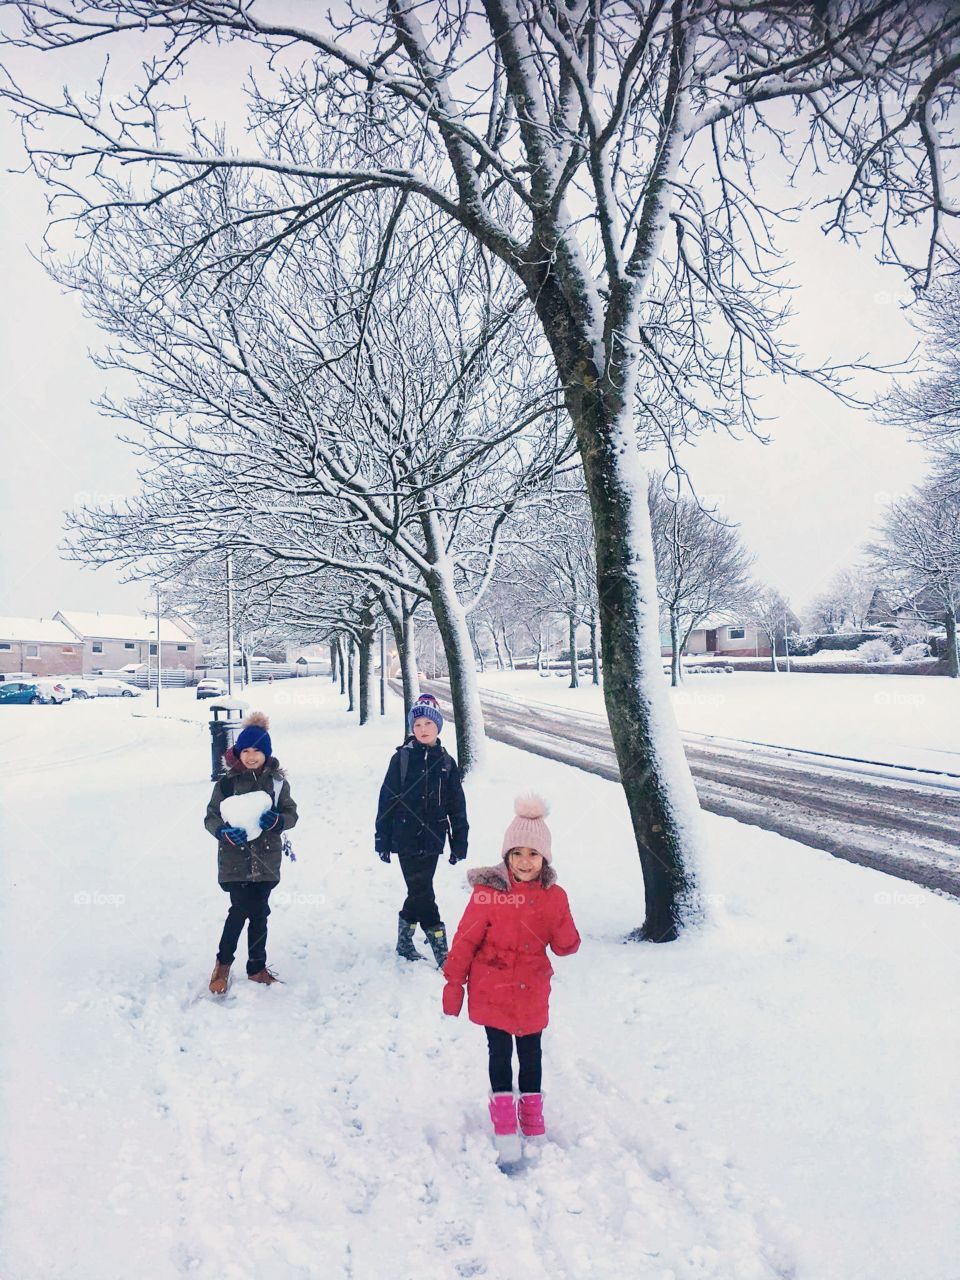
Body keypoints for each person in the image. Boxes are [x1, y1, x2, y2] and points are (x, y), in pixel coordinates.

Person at [442, 793, 580, 1163]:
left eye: (532, 854)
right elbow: (465, 939)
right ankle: (504, 1121)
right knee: (500, 1052)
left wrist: (562, 916)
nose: (524, 862)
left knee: (532, 1053)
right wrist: (454, 984)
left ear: (545, 858)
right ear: (506, 856)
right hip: (492, 987)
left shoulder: (553, 896)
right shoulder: (488, 894)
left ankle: (532, 1119)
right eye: (516, 854)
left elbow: (566, 946)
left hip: (533, 988)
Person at [204, 711, 298, 993]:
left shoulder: (277, 784)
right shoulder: (227, 784)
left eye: (258, 750)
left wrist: (278, 821)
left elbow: (291, 814)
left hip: (267, 861)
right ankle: (222, 965)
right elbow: (211, 817)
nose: (252, 756)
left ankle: (256, 967)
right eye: (246, 750)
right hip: (235, 862)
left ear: (266, 753)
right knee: (240, 910)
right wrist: (223, 832)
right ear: (238, 752)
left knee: (260, 913)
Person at [375, 695, 468, 967]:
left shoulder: (447, 762)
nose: (423, 729)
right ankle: (443, 953)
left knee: (419, 890)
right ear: (411, 728)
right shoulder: (401, 759)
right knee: (423, 891)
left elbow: (457, 806)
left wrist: (459, 842)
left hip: (433, 839)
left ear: (438, 727)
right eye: (417, 724)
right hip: (404, 836)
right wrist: (382, 838)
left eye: (429, 723)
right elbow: (387, 799)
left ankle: (404, 942)